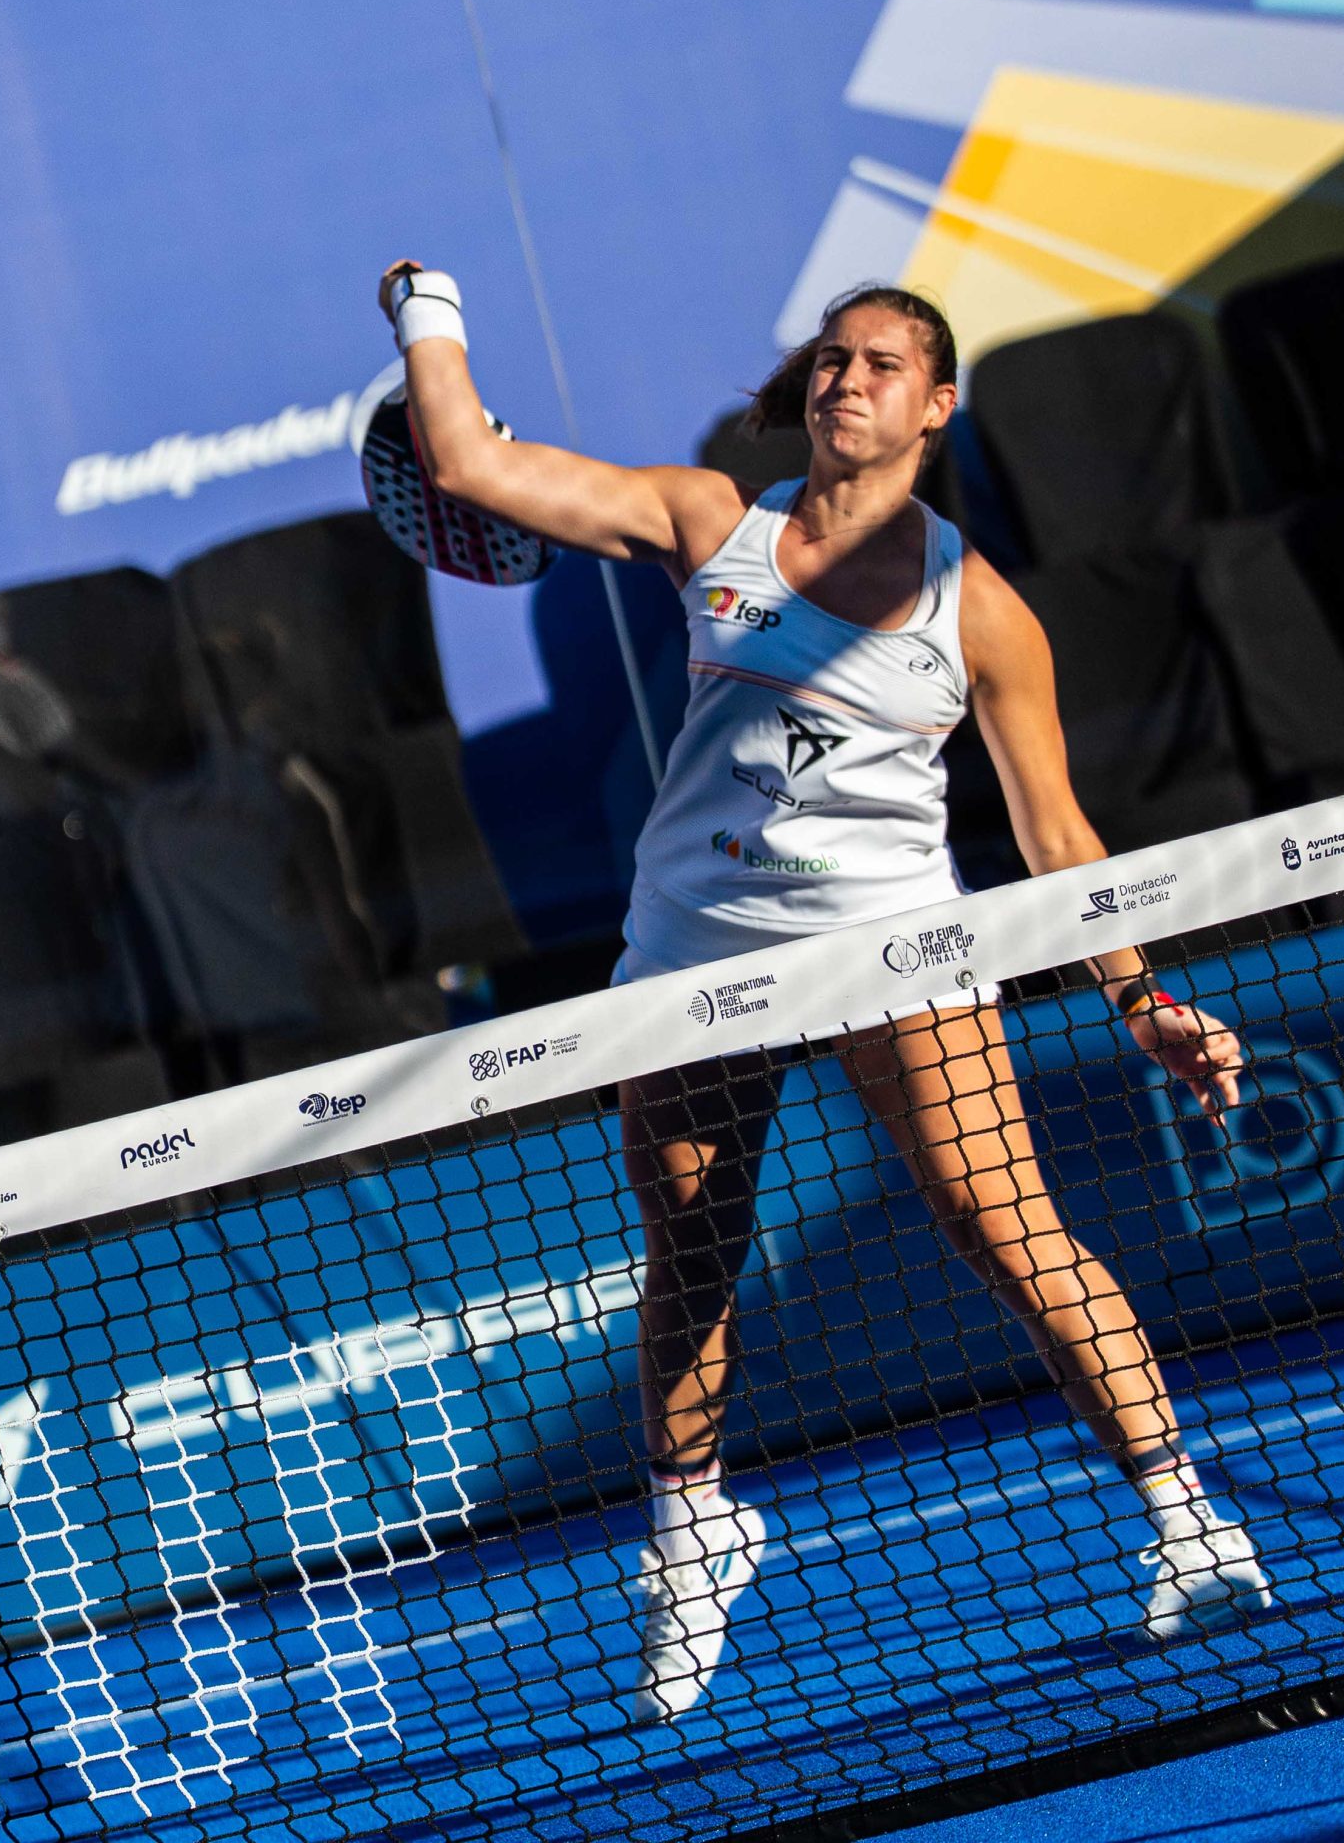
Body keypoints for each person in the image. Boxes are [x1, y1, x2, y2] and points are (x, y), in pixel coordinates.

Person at [377, 262, 1271, 1724]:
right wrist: (428, 309)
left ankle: (1190, 1524)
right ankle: (694, 1540)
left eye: (880, 365)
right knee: (694, 1253)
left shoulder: (981, 613)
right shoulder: (705, 521)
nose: (845, 380)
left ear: (937, 405)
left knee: (1002, 1224)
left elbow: (1055, 834)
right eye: (830, 359)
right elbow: (468, 464)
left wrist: (1139, 998)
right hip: (693, 952)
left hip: (891, 946)